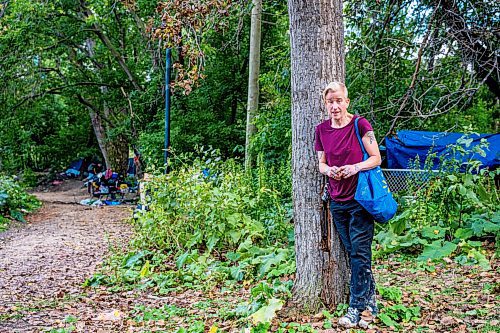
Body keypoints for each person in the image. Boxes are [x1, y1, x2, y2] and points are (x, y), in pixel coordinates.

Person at [314, 82, 382, 329]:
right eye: (330, 102)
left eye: (339, 100)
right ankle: (371, 302)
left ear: (347, 102)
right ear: (326, 104)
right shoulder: (321, 130)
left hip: (360, 200)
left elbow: (376, 158)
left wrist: (355, 167)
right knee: (353, 253)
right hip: (337, 202)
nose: (335, 106)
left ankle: (356, 308)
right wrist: (330, 170)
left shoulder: (360, 124)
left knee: (359, 254)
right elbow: (320, 164)